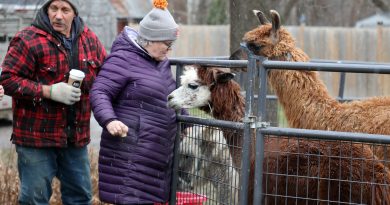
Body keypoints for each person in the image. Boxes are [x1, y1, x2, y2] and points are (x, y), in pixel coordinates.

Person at [0, 0, 106, 204]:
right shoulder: (28, 39)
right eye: (53, 9)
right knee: (34, 199)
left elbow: (106, 75)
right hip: (36, 139)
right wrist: (49, 91)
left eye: (65, 10)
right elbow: (8, 80)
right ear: (46, 10)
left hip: (75, 137)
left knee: (80, 198)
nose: (58, 15)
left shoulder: (89, 39)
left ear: (74, 13)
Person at [90, 0, 187, 204]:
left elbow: (168, 95)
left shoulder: (159, 62)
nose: (169, 50)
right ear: (151, 39)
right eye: (166, 45)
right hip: (130, 155)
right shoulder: (123, 59)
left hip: (154, 157)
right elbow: (100, 92)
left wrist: (184, 119)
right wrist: (110, 120)